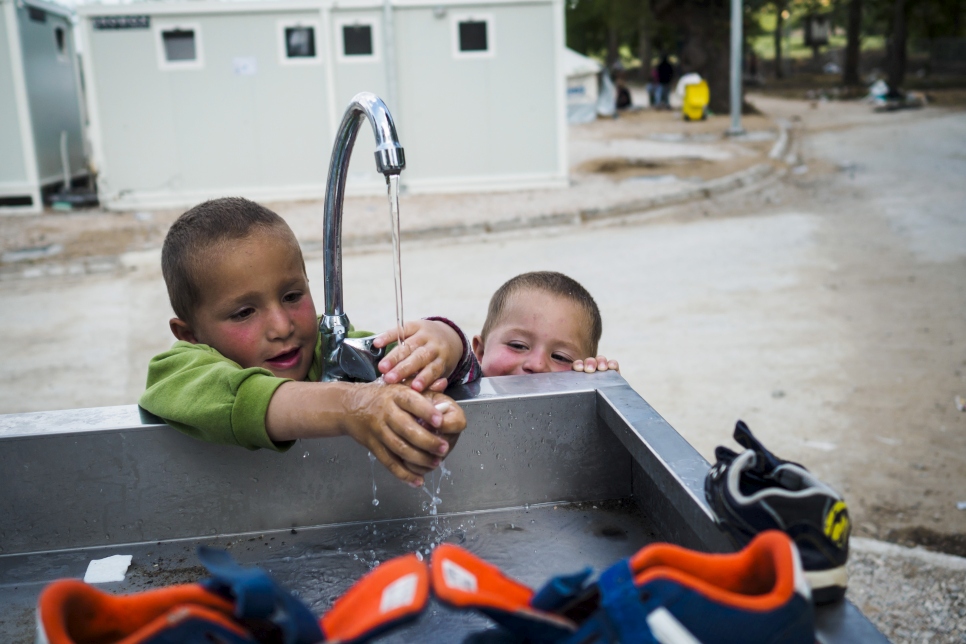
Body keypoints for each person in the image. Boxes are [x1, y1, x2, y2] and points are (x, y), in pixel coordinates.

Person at [139, 197, 480, 488]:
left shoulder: (328, 351)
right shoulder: (179, 373)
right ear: (189, 334)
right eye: (244, 313)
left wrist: (443, 346)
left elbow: (407, 364)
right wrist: (352, 406)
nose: (281, 326)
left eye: (291, 295)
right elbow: (242, 397)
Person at [471, 272, 619, 377]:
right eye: (517, 345)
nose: (537, 365)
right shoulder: (454, 402)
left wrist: (606, 390)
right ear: (481, 352)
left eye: (560, 357)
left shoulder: (581, 414)